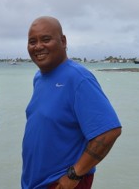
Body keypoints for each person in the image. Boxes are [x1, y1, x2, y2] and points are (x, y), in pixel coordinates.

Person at [21, 16, 122, 189]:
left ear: (63, 41)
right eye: (32, 41)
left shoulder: (78, 78)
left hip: (60, 183)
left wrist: (74, 175)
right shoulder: (39, 78)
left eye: (46, 39)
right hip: (35, 183)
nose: (38, 46)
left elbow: (109, 131)